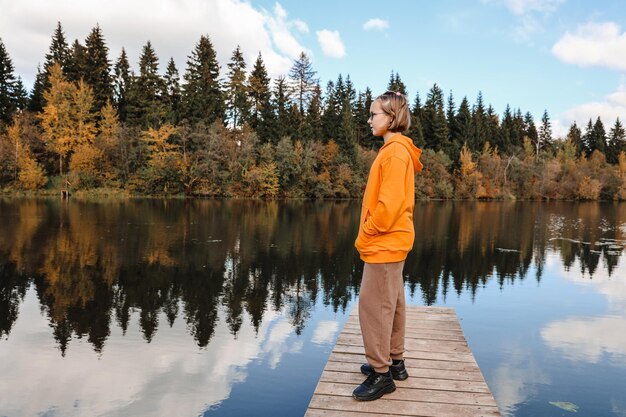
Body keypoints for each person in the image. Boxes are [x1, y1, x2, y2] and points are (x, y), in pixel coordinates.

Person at [352, 91, 423, 401]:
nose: (369, 120)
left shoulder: (394, 153)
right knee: (392, 303)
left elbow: (388, 206)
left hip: (384, 241)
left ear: (391, 118)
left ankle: (381, 375)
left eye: (374, 114)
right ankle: (395, 363)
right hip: (393, 242)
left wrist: (366, 233)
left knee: (374, 306)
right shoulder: (396, 151)